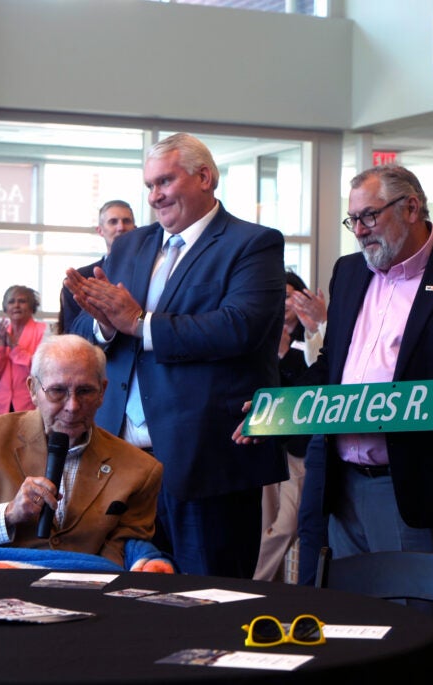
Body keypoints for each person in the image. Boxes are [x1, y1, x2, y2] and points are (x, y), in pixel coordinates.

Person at [241, 164, 433, 685]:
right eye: (353, 220)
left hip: (419, 487)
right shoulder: (350, 273)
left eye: (369, 215)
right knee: (350, 630)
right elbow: (333, 371)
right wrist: (275, 413)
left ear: (412, 208)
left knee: (423, 634)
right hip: (341, 485)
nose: (361, 229)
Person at [64, 132, 287, 578]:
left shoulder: (253, 243)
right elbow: (86, 331)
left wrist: (139, 324)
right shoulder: (131, 245)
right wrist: (106, 324)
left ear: (205, 177)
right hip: (121, 460)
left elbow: (239, 326)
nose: (154, 197)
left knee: (210, 598)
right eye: (149, 186)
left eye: (164, 182)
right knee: (128, 596)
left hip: (204, 459)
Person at [0, 335, 167, 570]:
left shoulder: (140, 469)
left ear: (102, 392)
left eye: (85, 391)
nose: (72, 406)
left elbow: (124, 549)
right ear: (33, 389)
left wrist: (146, 560)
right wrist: (7, 514)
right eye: (57, 391)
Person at [253, 271, 319, 581]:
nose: (284, 303)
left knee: (286, 525)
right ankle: (269, 594)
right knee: (265, 523)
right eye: (278, 296)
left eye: (290, 294)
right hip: (267, 443)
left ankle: (256, 583)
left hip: (299, 448)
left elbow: (311, 384)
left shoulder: (312, 337)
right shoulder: (259, 332)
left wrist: (283, 353)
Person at [59, 200, 136, 334]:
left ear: (135, 229)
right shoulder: (80, 278)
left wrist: (137, 317)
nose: (121, 227)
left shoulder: (151, 273)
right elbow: (71, 333)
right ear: (100, 231)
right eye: (113, 222)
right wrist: (102, 325)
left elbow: (147, 316)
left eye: (126, 221)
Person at [0, 285, 48, 416]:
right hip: (1, 408)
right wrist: (1, 344)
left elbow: (40, 371)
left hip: (32, 406)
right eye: (11, 301)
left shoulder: (43, 331)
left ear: (32, 306)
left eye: (22, 301)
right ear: (5, 308)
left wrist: (14, 347)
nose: (16, 305)